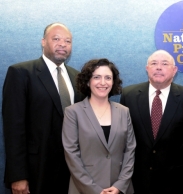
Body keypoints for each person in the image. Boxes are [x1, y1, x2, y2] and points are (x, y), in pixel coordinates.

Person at [2, 22, 84, 194]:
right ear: (43, 42)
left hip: (71, 172)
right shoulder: (21, 73)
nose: (62, 44)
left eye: (68, 41)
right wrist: (18, 175)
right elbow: (13, 129)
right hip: (35, 171)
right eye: (56, 39)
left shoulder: (77, 77)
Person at [120, 50, 183, 194]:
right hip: (138, 180)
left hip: (177, 181)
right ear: (147, 69)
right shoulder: (129, 95)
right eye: (154, 63)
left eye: (165, 64)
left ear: (174, 71)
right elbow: (123, 140)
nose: (158, 67)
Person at [62, 58, 136, 194]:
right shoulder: (73, 112)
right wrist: (94, 190)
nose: (103, 82)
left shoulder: (123, 111)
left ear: (113, 82)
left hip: (119, 189)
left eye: (108, 78)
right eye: (97, 77)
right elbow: (72, 155)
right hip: (84, 189)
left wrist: (120, 185)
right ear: (88, 82)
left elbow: (129, 150)